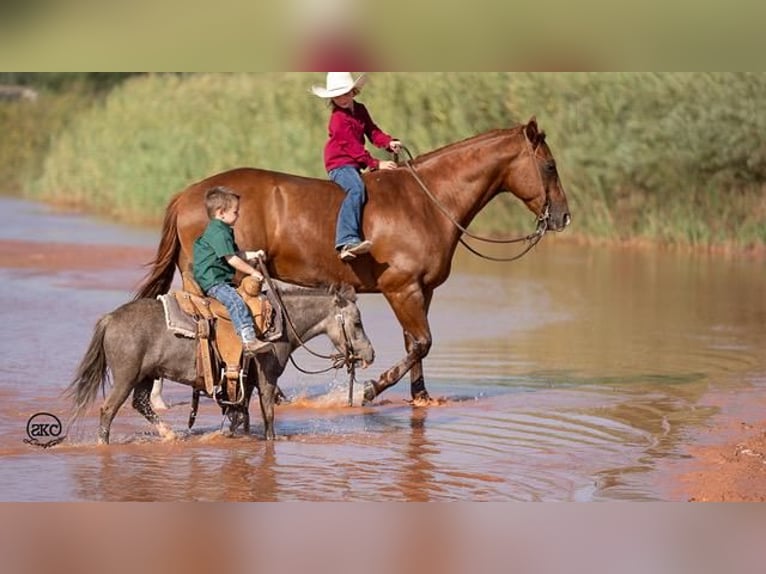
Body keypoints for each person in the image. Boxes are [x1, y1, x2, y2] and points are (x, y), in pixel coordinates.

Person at [311, 72, 402, 261]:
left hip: (354, 162)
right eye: (337, 96)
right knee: (356, 189)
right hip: (339, 163)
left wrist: (388, 142)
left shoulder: (360, 109)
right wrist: (376, 164)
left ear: (353, 92)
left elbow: (372, 131)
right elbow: (352, 147)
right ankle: (346, 240)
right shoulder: (337, 119)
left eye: (345, 93)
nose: (342, 99)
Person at [193, 186, 271, 355]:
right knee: (235, 301)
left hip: (219, 278)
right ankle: (248, 338)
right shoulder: (218, 233)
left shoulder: (222, 230)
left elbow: (236, 253)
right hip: (213, 280)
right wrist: (254, 272)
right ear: (221, 213)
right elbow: (232, 259)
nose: (238, 215)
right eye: (235, 212)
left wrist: (253, 254)